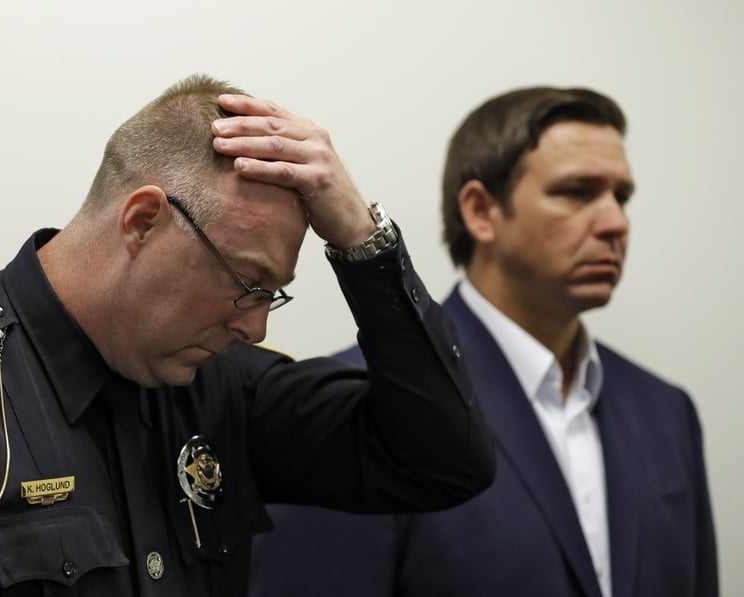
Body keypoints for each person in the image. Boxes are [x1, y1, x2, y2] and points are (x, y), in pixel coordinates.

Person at [0, 74, 495, 596]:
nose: (254, 325)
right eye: (246, 282)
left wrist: (364, 243)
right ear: (142, 221)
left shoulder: (221, 387)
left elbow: (443, 460)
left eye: (271, 293)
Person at [249, 86, 719, 597]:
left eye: (620, 197)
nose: (615, 223)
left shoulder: (666, 411)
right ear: (480, 210)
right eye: (577, 192)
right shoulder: (362, 403)